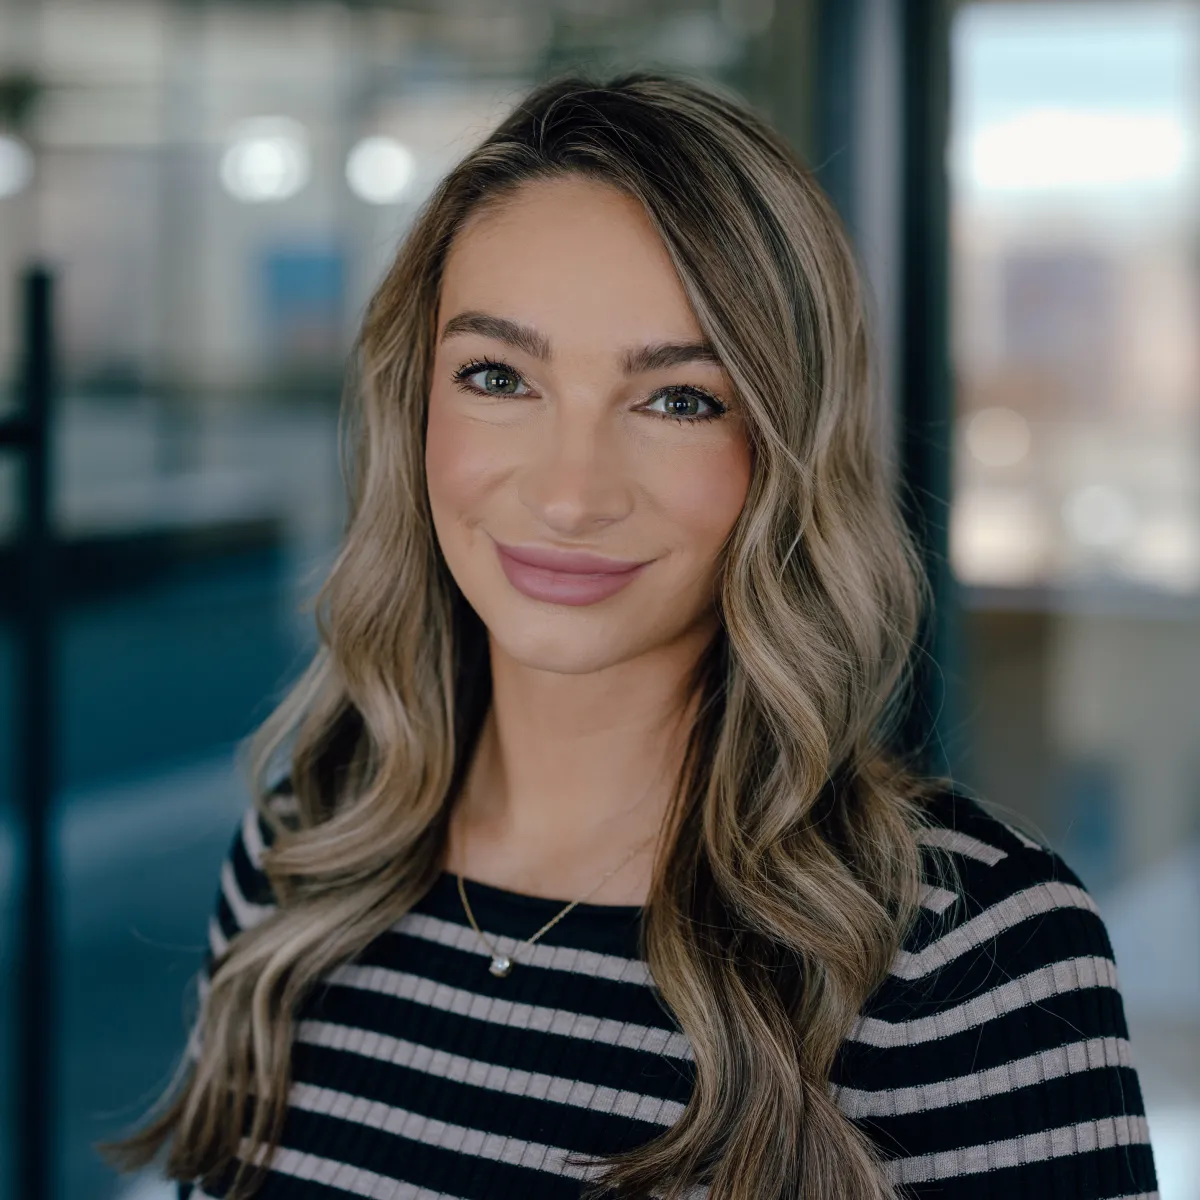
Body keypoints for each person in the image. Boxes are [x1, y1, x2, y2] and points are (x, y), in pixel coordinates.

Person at [108, 73, 1157, 1200]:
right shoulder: (303, 860)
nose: (570, 494)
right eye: (498, 377)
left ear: (782, 450)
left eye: (678, 399)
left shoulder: (971, 954)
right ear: (416, 408)